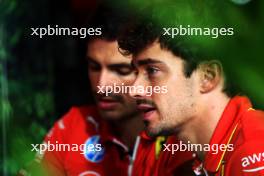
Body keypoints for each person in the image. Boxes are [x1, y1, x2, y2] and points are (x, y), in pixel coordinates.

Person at [18, 5, 194, 176]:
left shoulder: (181, 136)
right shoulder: (75, 125)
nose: (102, 85)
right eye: (94, 67)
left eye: (121, 70)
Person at [118, 4, 264, 176]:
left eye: (152, 71)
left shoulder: (253, 149)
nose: (134, 90)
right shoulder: (186, 157)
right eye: (135, 72)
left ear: (207, 77)